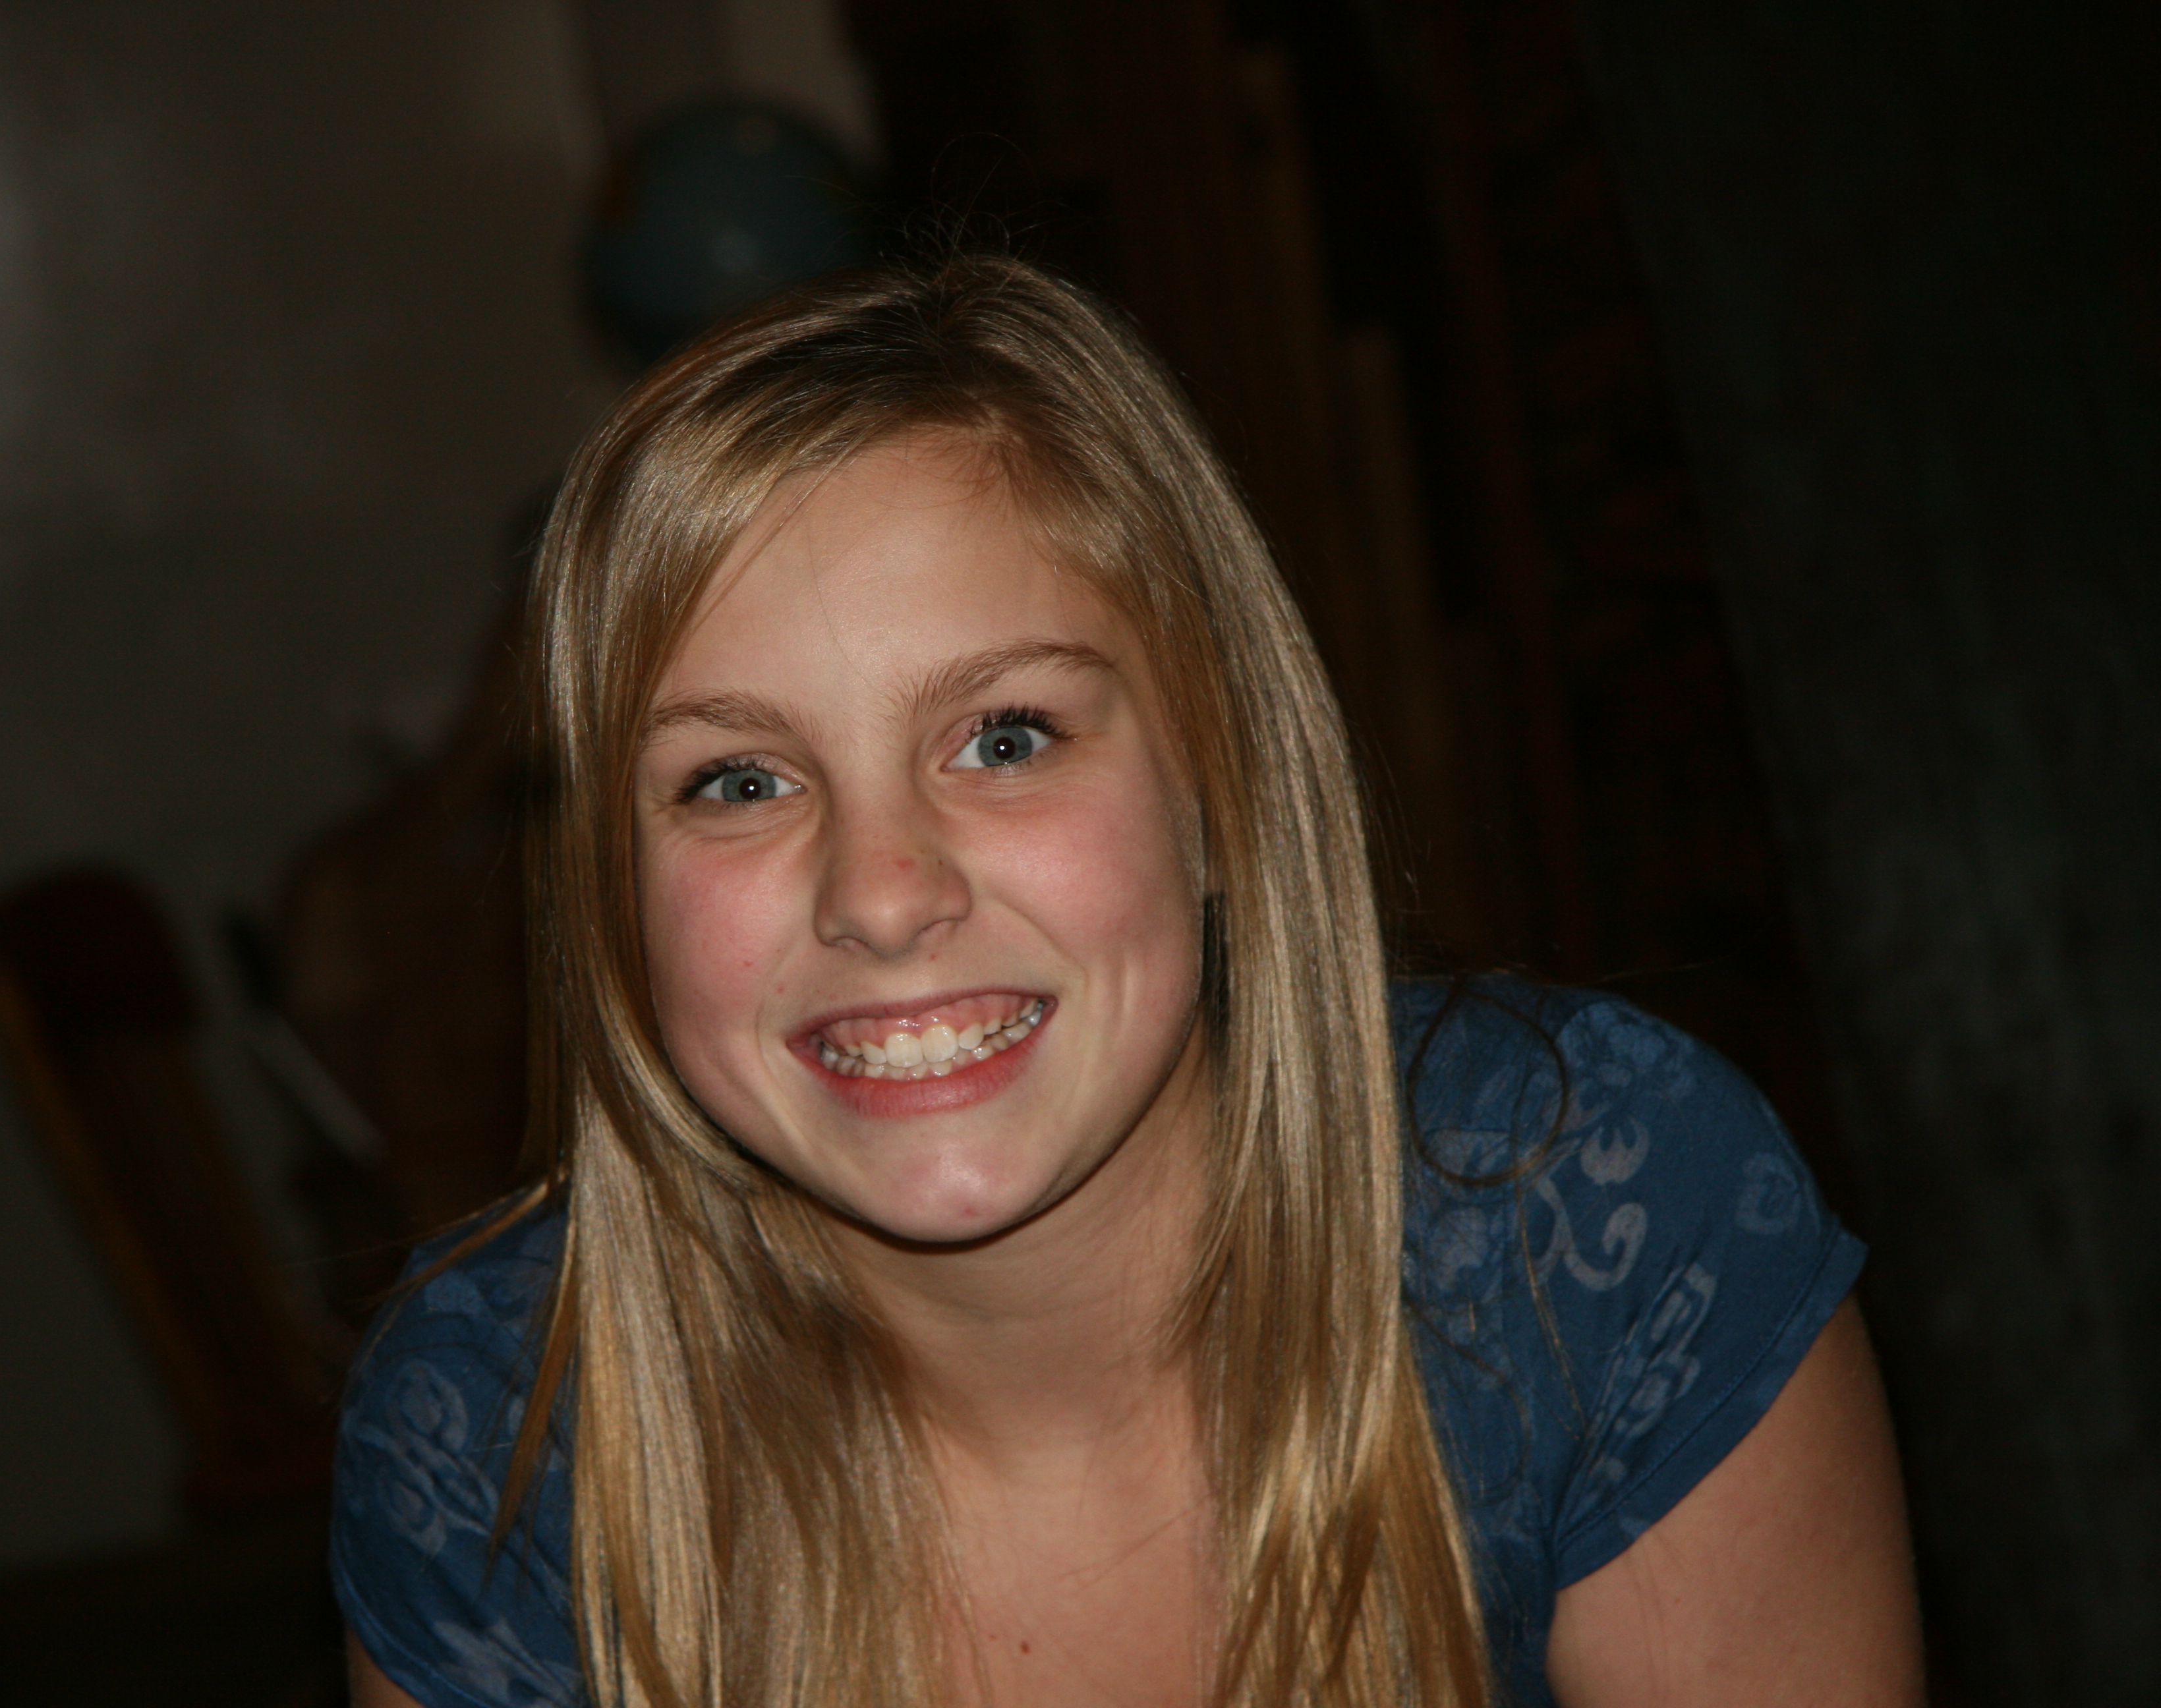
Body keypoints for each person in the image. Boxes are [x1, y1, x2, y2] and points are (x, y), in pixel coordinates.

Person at [329, 256, 1922, 1707]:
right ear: (612, 896)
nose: (880, 893)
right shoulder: (501, 1455)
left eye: (1005, 738)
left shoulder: (1586, 1222)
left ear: (1218, 787)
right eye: (739, 780)